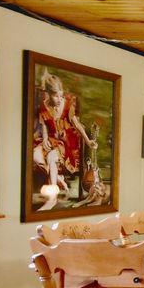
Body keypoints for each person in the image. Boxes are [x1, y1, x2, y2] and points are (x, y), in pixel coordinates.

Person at [31, 70, 98, 200]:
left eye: (61, 96)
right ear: (48, 94)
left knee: (51, 157)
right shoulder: (44, 107)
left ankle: (53, 196)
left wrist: (88, 141)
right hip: (50, 139)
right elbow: (44, 123)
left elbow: (77, 125)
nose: (59, 99)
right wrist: (44, 138)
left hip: (65, 142)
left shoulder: (67, 105)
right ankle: (58, 178)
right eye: (56, 96)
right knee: (35, 156)